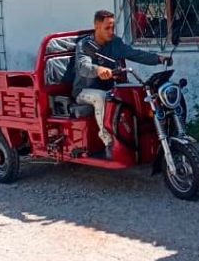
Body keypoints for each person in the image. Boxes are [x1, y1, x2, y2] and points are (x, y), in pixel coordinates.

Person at [73, 10, 170, 158]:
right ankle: (109, 142)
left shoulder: (115, 43)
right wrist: (98, 69)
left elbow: (134, 54)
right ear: (96, 27)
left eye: (113, 27)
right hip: (85, 90)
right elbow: (82, 66)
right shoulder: (85, 45)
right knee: (101, 97)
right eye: (107, 28)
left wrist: (158, 59)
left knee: (139, 92)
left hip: (111, 88)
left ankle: (147, 137)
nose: (111, 31)